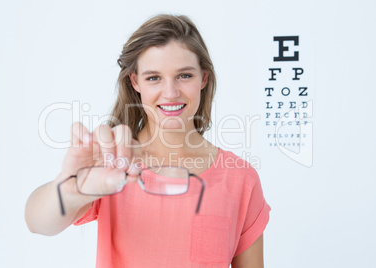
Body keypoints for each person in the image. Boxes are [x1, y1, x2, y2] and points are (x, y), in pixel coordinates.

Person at [25, 14, 271, 268]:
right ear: (135, 82)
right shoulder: (113, 165)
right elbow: (37, 222)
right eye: (154, 77)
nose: (171, 92)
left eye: (184, 75)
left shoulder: (241, 179)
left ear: (204, 79)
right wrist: (71, 189)